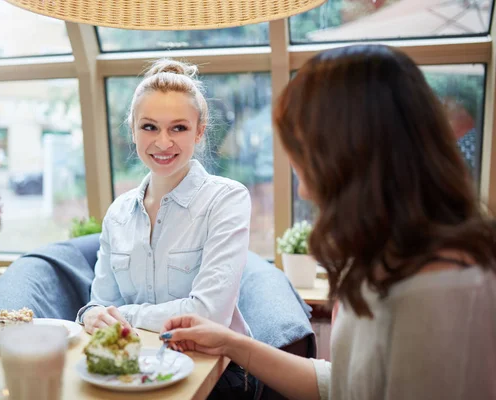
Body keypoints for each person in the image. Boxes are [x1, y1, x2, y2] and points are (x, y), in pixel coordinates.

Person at [160, 44, 496, 400]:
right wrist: (230, 343)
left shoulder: (442, 293)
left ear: (349, 155)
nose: (302, 189)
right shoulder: (385, 257)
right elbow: (348, 386)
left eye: (303, 155)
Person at [77, 59, 256, 398]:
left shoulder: (226, 199)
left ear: (199, 131)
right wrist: (92, 316)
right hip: (138, 369)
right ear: (132, 129)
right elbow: (100, 305)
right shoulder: (117, 214)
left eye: (178, 128)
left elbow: (207, 317)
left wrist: (122, 316)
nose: (162, 142)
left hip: (218, 375)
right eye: (149, 127)